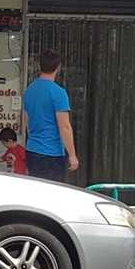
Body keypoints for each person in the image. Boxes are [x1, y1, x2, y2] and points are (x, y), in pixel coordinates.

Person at [23, 49, 79, 182]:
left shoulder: (29, 90)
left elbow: (26, 121)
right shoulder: (58, 92)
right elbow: (64, 126)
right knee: (52, 194)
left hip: (32, 150)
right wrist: (72, 155)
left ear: (39, 66)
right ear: (58, 67)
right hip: (51, 153)